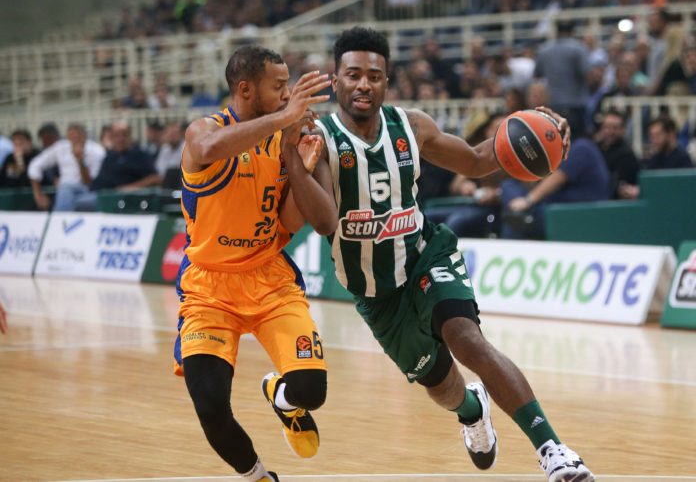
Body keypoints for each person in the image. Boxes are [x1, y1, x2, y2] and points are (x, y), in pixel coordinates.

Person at [284, 27, 595, 482]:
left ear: (387, 81)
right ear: (336, 80)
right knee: (443, 386)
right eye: (353, 75)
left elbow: (476, 161)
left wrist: (536, 131)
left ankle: (554, 450)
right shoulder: (321, 139)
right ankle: (472, 410)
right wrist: (296, 159)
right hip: (377, 295)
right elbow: (325, 222)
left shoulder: (411, 126)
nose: (364, 84)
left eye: (374, 76)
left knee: (467, 339)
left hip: (425, 255)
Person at [173, 45, 334, 482]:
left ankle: (282, 399)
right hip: (209, 290)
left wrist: (297, 163)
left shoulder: (287, 137)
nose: (288, 95)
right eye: (278, 86)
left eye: (288, 86)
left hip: (269, 280)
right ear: (246, 89)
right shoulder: (204, 130)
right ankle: (258, 477)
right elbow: (208, 147)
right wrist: (284, 120)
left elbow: (293, 222)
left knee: (311, 391)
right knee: (210, 407)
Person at [28, 124, 106, 211]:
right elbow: (35, 165)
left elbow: (90, 183)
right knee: (66, 191)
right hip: (65, 193)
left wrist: (80, 161)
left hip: (87, 191)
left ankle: (59, 218)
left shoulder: (97, 151)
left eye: (77, 137)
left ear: (84, 136)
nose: (74, 141)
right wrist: (38, 194)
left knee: (66, 187)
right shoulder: (61, 147)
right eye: (71, 138)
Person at [619, 115, 693, 199]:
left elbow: (680, 191)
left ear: (671, 134)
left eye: (658, 135)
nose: (654, 140)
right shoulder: (655, 158)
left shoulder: (683, 159)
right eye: (652, 136)